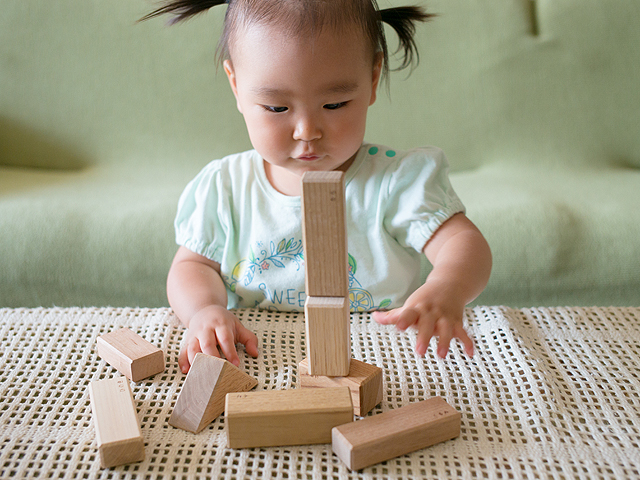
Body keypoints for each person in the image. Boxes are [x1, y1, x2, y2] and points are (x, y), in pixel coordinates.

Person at [142, 0, 492, 374]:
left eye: (335, 103)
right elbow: (191, 266)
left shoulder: (396, 182)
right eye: (276, 108)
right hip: (261, 355)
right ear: (237, 87)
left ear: (372, 79)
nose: (307, 131)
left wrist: (448, 286)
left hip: (382, 357)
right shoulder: (226, 187)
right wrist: (205, 311)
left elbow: (463, 244)